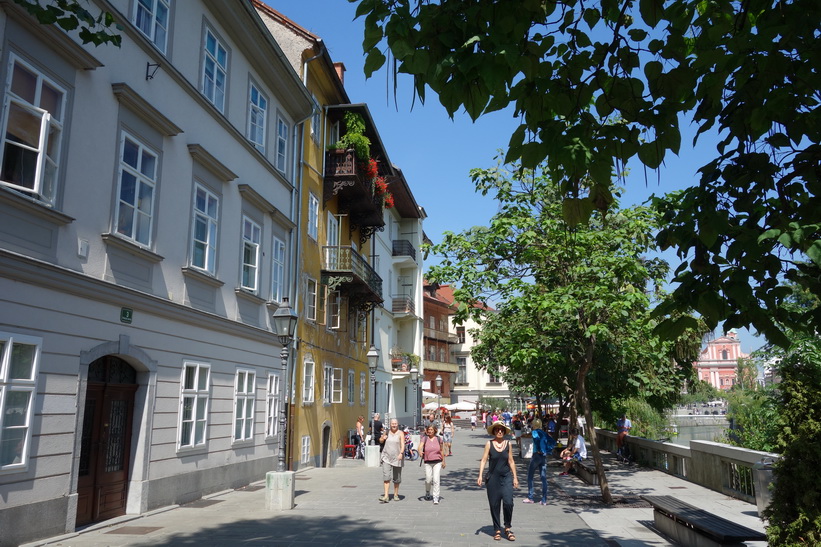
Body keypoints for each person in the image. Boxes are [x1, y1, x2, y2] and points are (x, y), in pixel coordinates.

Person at [478, 421, 519, 542]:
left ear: (504, 431)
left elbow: (511, 461)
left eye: (501, 430)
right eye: (497, 430)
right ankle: (497, 529)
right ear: (494, 431)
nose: (499, 431)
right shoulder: (489, 444)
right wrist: (480, 475)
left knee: (508, 502)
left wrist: (515, 477)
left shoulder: (508, 444)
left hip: (506, 477)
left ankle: (507, 527)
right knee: (494, 504)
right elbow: (484, 460)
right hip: (493, 478)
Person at [522, 419, 552, 505]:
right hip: (543, 456)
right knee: (543, 478)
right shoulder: (543, 433)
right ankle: (544, 499)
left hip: (536, 456)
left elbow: (534, 439)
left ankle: (530, 497)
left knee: (530, 476)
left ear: (534, 425)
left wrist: (538, 450)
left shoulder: (535, 432)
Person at [378, 419, 405, 502]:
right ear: (390, 424)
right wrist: (383, 438)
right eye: (392, 424)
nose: (394, 425)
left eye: (395, 424)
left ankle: (396, 494)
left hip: (397, 457)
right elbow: (380, 440)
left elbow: (403, 444)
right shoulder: (386, 432)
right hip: (386, 457)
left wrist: (401, 453)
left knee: (397, 478)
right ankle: (386, 496)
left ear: (398, 424)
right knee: (386, 476)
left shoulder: (401, 433)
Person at [419, 424, 447, 504]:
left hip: (437, 461)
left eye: (432, 430)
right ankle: (427, 491)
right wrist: (420, 451)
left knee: (436, 479)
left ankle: (436, 497)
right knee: (428, 479)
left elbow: (442, 450)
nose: (430, 431)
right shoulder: (424, 438)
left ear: (435, 430)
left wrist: (444, 461)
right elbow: (419, 447)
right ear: (427, 431)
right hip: (427, 462)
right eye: (429, 430)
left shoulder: (439, 439)